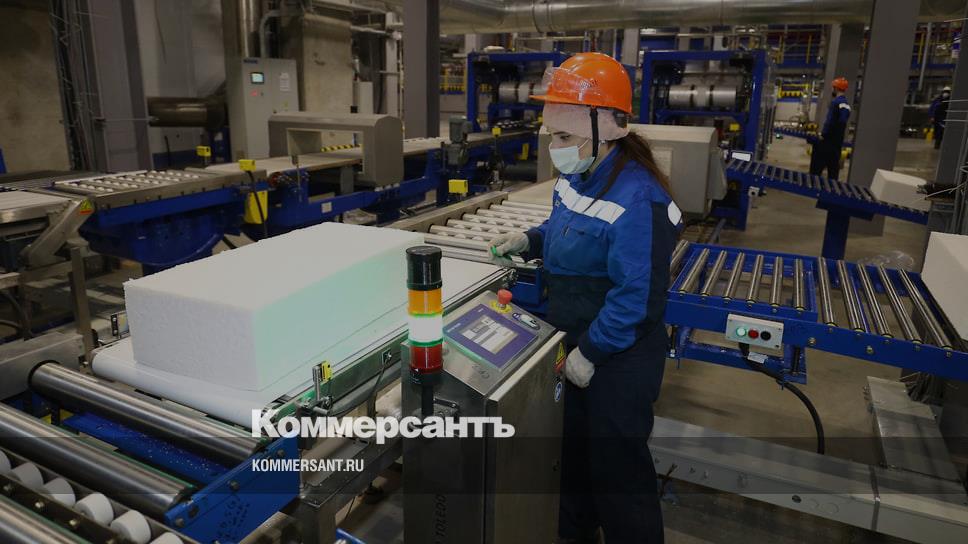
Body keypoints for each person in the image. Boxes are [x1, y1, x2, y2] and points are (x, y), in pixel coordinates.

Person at [489, 52, 682, 543]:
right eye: (552, 136)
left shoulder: (640, 199)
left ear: (604, 127)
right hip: (573, 337)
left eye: (563, 137)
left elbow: (638, 298)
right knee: (572, 461)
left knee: (618, 475)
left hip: (617, 357)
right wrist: (531, 239)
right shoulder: (579, 173)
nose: (555, 149)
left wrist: (591, 353)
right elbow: (565, 223)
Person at [809, 76, 851, 180]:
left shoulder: (837, 103)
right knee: (833, 173)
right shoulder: (846, 104)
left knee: (815, 171)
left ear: (836, 88)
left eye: (833, 87)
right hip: (836, 145)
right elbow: (842, 122)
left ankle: (812, 184)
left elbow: (832, 122)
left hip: (828, 143)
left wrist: (824, 135)